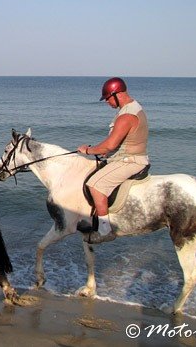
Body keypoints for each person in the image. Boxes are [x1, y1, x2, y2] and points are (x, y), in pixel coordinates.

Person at [77, 77, 149, 243]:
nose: (107, 102)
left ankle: (105, 231)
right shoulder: (132, 108)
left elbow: (109, 145)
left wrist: (88, 150)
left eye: (108, 98)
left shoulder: (127, 116)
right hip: (126, 156)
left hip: (130, 161)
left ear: (116, 94)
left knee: (95, 184)